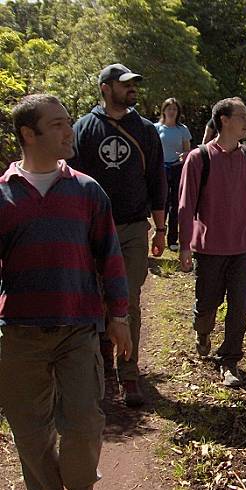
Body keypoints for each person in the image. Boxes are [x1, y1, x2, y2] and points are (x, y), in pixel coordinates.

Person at [0, 94, 133, 490]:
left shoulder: (87, 191)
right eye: (57, 124)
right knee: (29, 428)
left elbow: (109, 256)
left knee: (84, 422)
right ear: (28, 133)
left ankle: (81, 489)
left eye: (68, 121)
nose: (68, 130)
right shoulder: (3, 194)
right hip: (19, 333)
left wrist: (120, 316)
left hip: (78, 327)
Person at [69, 62, 166, 407]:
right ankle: (103, 371)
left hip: (132, 228)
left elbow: (156, 178)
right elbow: (71, 181)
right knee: (95, 301)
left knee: (129, 300)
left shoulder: (145, 130)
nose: (132, 89)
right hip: (90, 230)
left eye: (133, 84)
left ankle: (129, 374)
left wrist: (161, 228)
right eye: (124, 84)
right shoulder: (82, 129)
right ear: (105, 89)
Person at [178, 97, 246, 387]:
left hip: (242, 246)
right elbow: (185, 205)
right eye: (241, 117)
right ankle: (202, 330)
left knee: (239, 306)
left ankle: (229, 361)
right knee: (207, 303)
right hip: (209, 247)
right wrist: (184, 245)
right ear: (224, 120)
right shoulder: (198, 158)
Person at [155, 97, 192, 251]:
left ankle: (172, 240)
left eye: (174, 109)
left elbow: (188, 149)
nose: (172, 111)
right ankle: (159, 234)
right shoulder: (155, 128)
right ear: (163, 110)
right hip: (161, 168)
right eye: (169, 108)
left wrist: (185, 155)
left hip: (177, 168)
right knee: (161, 202)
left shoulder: (182, 129)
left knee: (175, 204)